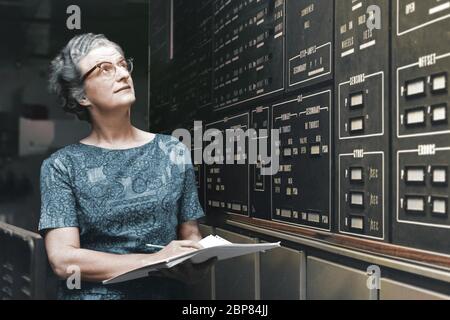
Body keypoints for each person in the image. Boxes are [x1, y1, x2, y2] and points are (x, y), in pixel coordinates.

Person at [39, 33, 209, 300]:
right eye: (104, 69)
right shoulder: (62, 165)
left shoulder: (173, 150)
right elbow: (63, 260)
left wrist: (195, 264)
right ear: (81, 96)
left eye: (121, 64)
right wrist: (154, 261)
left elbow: (190, 235)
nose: (121, 74)